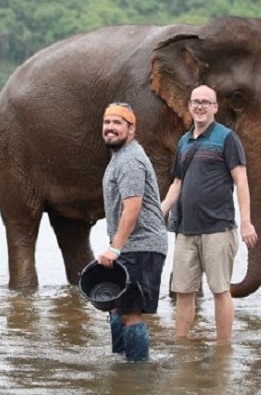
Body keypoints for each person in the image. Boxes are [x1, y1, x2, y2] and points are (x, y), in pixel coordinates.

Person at [160, 85, 258, 341]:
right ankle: (181, 345)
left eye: (206, 102)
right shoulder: (184, 141)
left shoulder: (226, 138)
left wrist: (246, 222)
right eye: (195, 102)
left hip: (218, 229)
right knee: (183, 291)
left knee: (219, 290)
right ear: (190, 106)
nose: (200, 106)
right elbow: (177, 184)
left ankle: (223, 350)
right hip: (185, 231)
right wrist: (159, 212)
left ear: (215, 107)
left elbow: (242, 180)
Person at [96, 102, 168, 362]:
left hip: (142, 247)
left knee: (130, 312)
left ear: (131, 129)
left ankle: (137, 374)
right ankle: (121, 369)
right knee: (117, 308)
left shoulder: (130, 160)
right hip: (131, 247)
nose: (110, 128)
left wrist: (115, 248)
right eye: (107, 123)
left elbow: (132, 208)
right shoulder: (119, 158)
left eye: (117, 123)